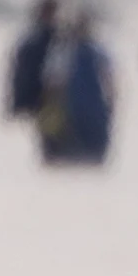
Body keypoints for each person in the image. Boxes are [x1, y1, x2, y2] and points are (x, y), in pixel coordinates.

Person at [46, 10, 117, 168]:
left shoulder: (64, 51)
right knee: (93, 148)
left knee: (72, 145)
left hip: (74, 104)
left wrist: (52, 104)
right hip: (94, 105)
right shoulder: (99, 50)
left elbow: (54, 81)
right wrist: (112, 102)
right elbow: (109, 78)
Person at [3, 0, 62, 150]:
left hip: (38, 90)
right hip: (39, 90)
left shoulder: (32, 37)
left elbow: (16, 68)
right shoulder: (42, 37)